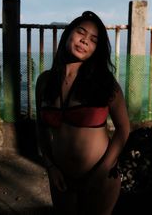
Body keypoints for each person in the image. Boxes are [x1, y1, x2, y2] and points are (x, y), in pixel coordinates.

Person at [35, 11, 130, 215]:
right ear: (68, 34)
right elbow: (41, 129)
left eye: (93, 40)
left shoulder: (105, 84)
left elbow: (123, 129)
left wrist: (102, 171)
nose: (85, 41)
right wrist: (51, 167)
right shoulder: (44, 82)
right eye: (81, 32)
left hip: (100, 178)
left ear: (97, 49)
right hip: (61, 178)